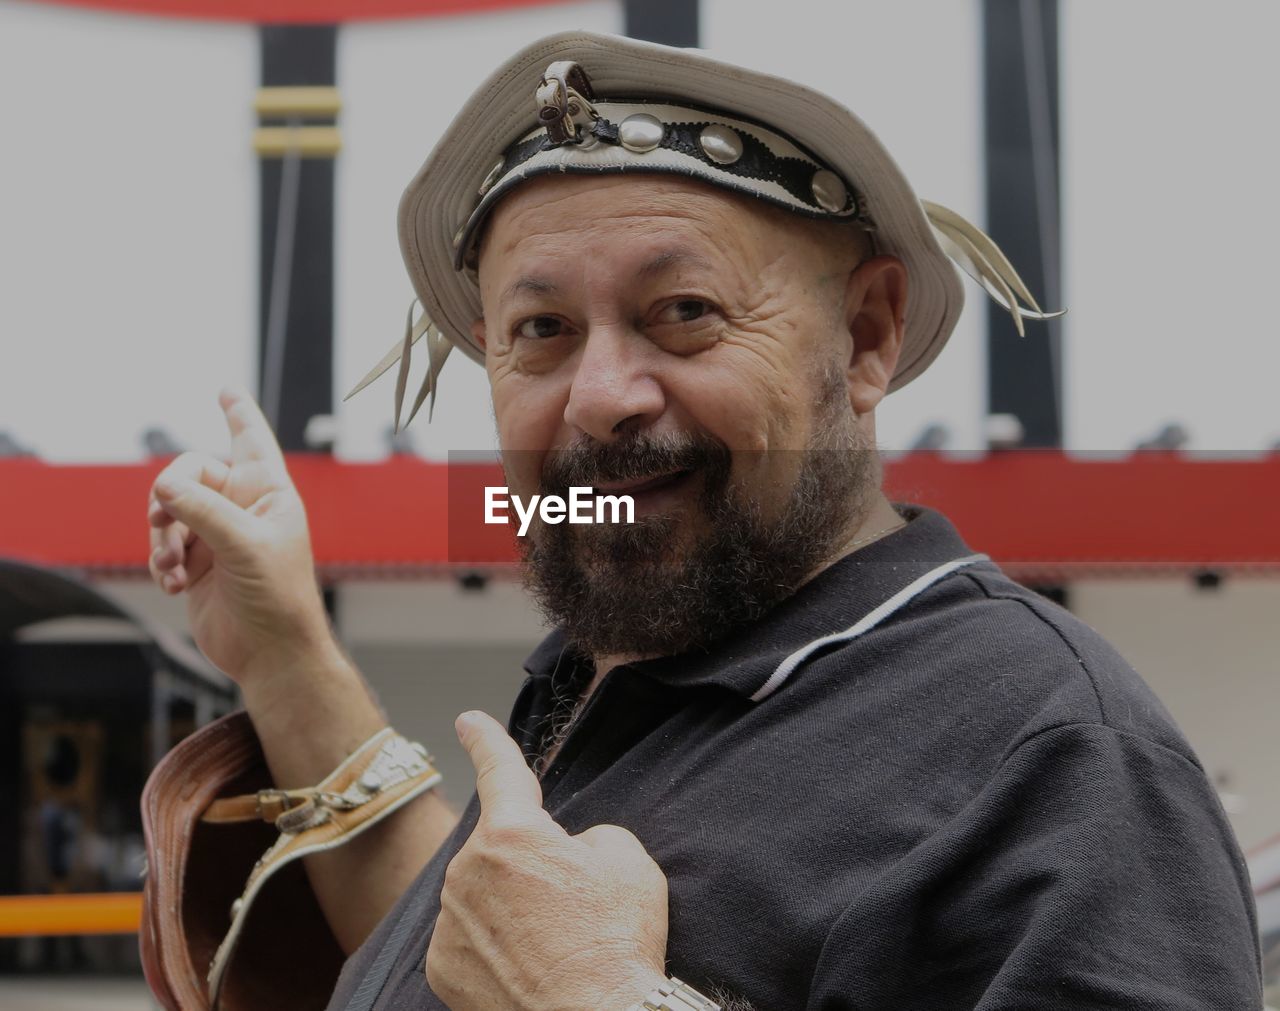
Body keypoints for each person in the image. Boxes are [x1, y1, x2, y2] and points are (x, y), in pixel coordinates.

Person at [145, 31, 1261, 1011]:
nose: (599, 397)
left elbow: (553, 977)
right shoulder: (627, 669)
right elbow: (482, 958)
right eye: (539, 330)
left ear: (867, 336)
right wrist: (283, 649)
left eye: (682, 313)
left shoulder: (1056, 758)